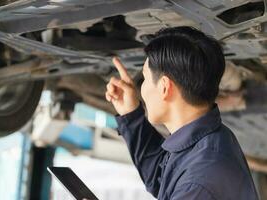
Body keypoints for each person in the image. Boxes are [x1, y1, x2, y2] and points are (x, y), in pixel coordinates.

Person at [105, 26, 259, 200]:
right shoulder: (210, 141)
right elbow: (161, 177)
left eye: (145, 78)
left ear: (164, 87)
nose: (142, 89)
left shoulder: (200, 182)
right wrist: (130, 113)